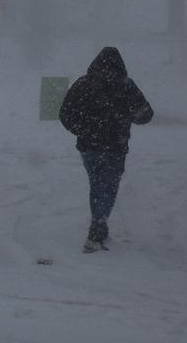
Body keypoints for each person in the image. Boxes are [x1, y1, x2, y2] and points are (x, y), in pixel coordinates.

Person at [59, 47, 153, 253]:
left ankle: (99, 225)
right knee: (108, 187)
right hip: (115, 146)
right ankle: (97, 228)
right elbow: (145, 115)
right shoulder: (126, 86)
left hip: (89, 147)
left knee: (97, 183)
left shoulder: (83, 83)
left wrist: (84, 130)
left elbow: (65, 114)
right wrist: (128, 117)